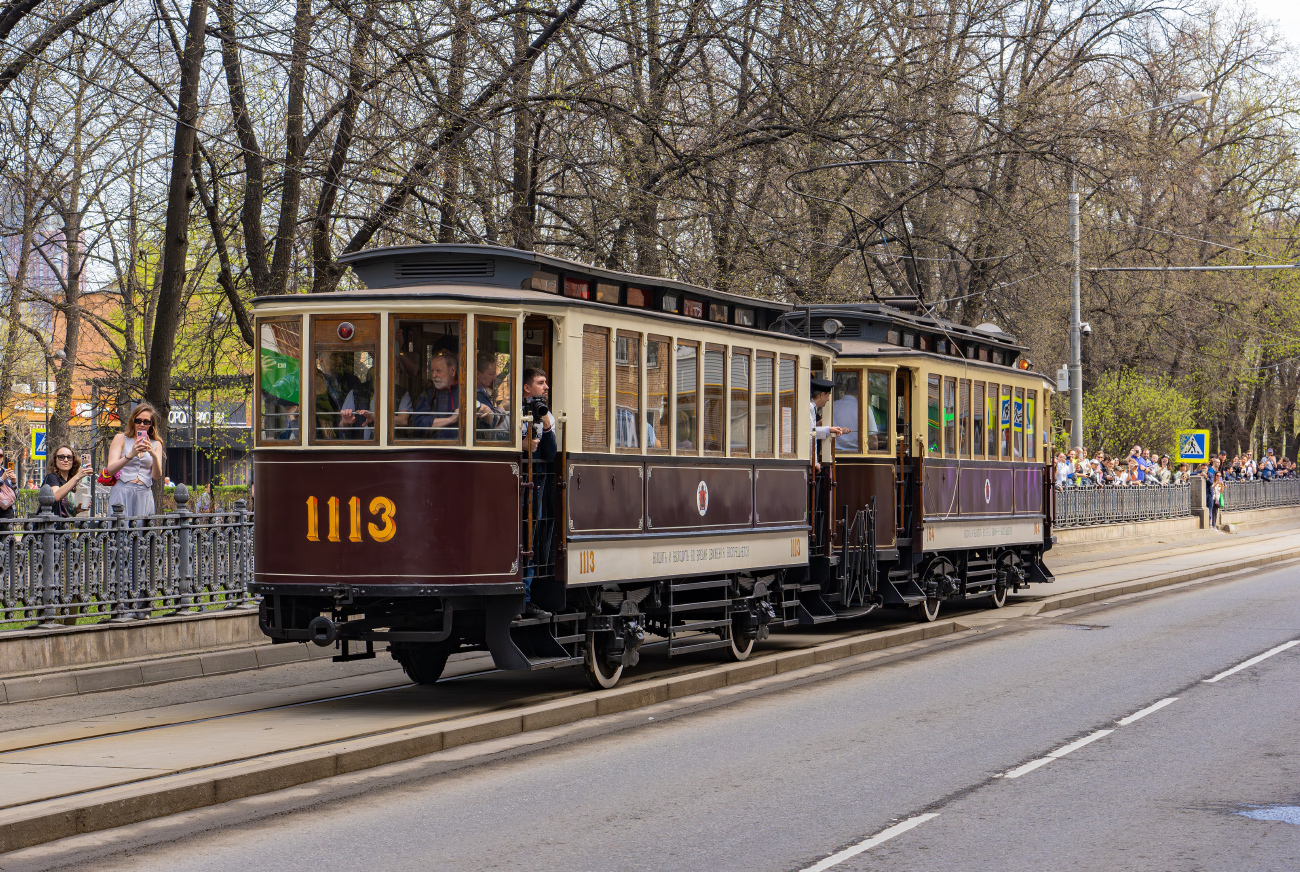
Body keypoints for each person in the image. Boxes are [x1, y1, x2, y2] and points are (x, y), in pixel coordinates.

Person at [519, 367, 557, 620]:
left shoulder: (545, 413)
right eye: (540, 383)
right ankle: (519, 596)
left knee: (531, 538)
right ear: (526, 388)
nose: (545, 388)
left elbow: (551, 453)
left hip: (537, 485)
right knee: (520, 537)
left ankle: (528, 597)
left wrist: (546, 424)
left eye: (545, 383)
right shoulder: (515, 409)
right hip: (520, 482)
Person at [104, 402, 165, 517]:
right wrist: (130, 454)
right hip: (122, 490)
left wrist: (153, 455)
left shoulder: (156, 444)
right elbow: (111, 469)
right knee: (121, 530)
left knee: (141, 532)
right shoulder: (121, 439)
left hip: (144, 493)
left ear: (151, 424)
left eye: (146, 421)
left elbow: (156, 476)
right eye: (138, 420)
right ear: (133, 421)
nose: (142, 424)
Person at [396, 352, 460, 439]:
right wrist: (451, 419)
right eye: (432, 370)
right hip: (435, 447)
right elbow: (419, 423)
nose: (433, 375)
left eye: (438, 371)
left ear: (452, 371)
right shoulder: (429, 393)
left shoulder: (465, 392)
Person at [44, 444, 92, 518]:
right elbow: (56, 496)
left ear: (73, 461)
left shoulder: (68, 482)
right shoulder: (52, 477)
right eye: (61, 457)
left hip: (64, 527)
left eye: (69, 457)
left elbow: (65, 512)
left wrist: (77, 510)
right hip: (52, 527)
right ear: (55, 460)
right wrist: (78, 476)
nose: (65, 460)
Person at [809, 377, 845, 473]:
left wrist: (829, 429)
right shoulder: (809, 408)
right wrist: (815, 462)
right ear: (822, 395)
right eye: (828, 396)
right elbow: (809, 436)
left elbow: (811, 431)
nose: (828, 399)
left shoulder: (812, 408)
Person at [0, 445, 17, 521]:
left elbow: (15, 496)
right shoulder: (4, 475)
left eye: (0, 455)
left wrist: (14, 483)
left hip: (7, 513)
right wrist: (2, 479)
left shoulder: (6, 472)